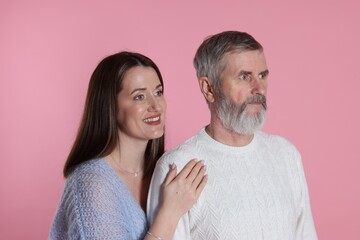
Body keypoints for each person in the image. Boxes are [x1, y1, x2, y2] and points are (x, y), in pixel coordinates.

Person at [147, 31, 318, 239]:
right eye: (244, 77)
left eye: (262, 75)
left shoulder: (286, 155)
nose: (259, 89)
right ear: (209, 88)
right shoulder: (178, 166)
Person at [50, 51, 208, 240]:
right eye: (139, 97)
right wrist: (170, 213)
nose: (156, 105)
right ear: (110, 106)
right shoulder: (90, 183)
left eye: (158, 92)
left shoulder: (167, 168)